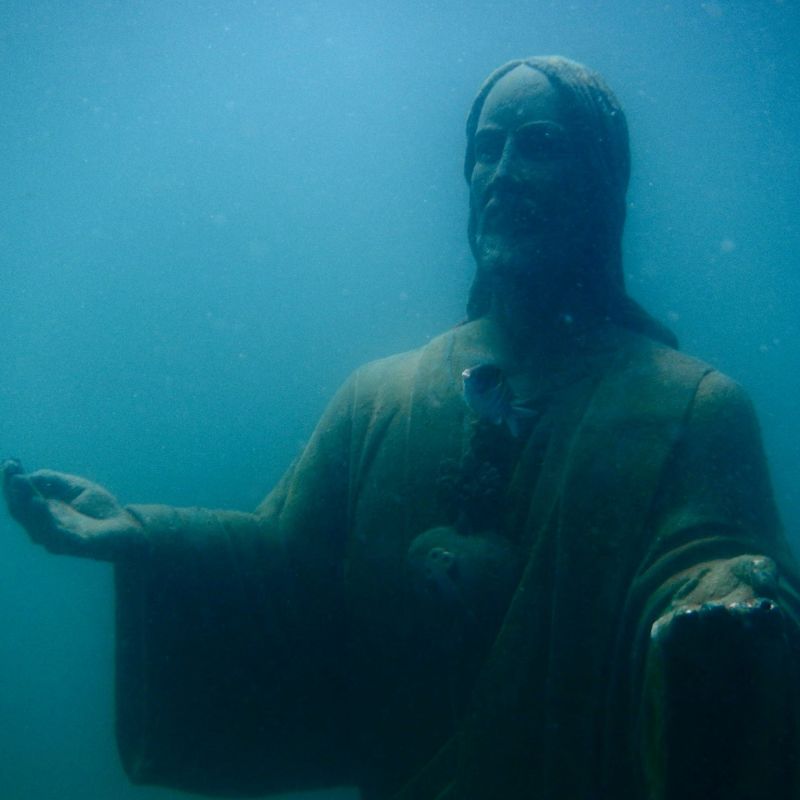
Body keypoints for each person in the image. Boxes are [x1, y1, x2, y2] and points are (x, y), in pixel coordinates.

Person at [4, 56, 800, 800]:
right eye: (486, 149)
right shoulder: (380, 397)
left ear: (601, 181)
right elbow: (287, 565)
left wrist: (721, 604)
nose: (503, 173)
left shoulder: (689, 407)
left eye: (541, 145)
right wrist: (143, 535)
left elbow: (713, 582)